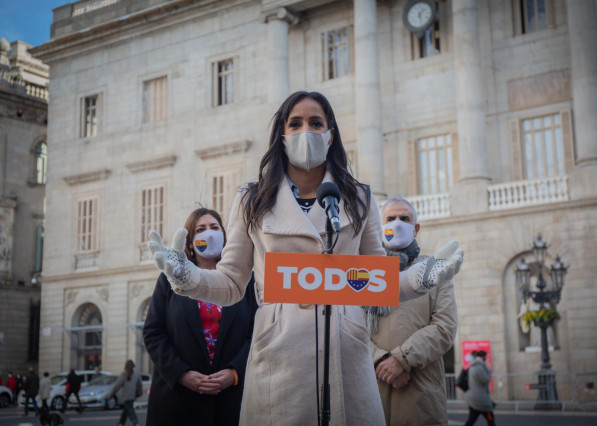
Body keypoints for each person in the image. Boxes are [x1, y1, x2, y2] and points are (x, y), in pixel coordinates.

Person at [148, 91, 464, 425]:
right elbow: (230, 283)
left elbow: (377, 282)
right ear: (282, 135)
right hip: (279, 351)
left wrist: (421, 278)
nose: (306, 132)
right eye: (295, 123)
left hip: (345, 347)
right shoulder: (251, 199)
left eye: (316, 123)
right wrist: (187, 277)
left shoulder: (359, 197)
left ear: (330, 135)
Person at [143, 207, 258, 426]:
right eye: (201, 229)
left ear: (225, 236)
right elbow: (153, 332)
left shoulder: (247, 281)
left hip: (232, 400)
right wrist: (181, 373)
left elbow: (256, 332)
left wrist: (235, 372)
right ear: (189, 242)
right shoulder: (170, 277)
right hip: (178, 401)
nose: (209, 233)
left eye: (215, 227)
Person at [368, 197, 458, 426]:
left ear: (415, 228)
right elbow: (349, 327)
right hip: (370, 393)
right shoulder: (363, 272)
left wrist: (402, 359)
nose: (397, 224)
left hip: (421, 394)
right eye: (390, 219)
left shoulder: (435, 270)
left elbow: (445, 327)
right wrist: (380, 360)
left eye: (404, 218)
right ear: (379, 227)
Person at [104, 360, 142, 426]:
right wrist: (139, 393)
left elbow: (117, 386)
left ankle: (136, 423)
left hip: (126, 396)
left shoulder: (124, 374)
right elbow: (139, 385)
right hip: (133, 396)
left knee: (130, 410)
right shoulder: (136, 374)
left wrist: (110, 395)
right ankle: (121, 423)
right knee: (126, 410)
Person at [464, 350, 496, 426]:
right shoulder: (479, 367)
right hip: (482, 400)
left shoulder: (473, 365)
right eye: (486, 357)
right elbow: (485, 379)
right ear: (483, 357)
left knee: (471, 420)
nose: (487, 359)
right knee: (491, 420)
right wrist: (488, 369)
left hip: (474, 399)